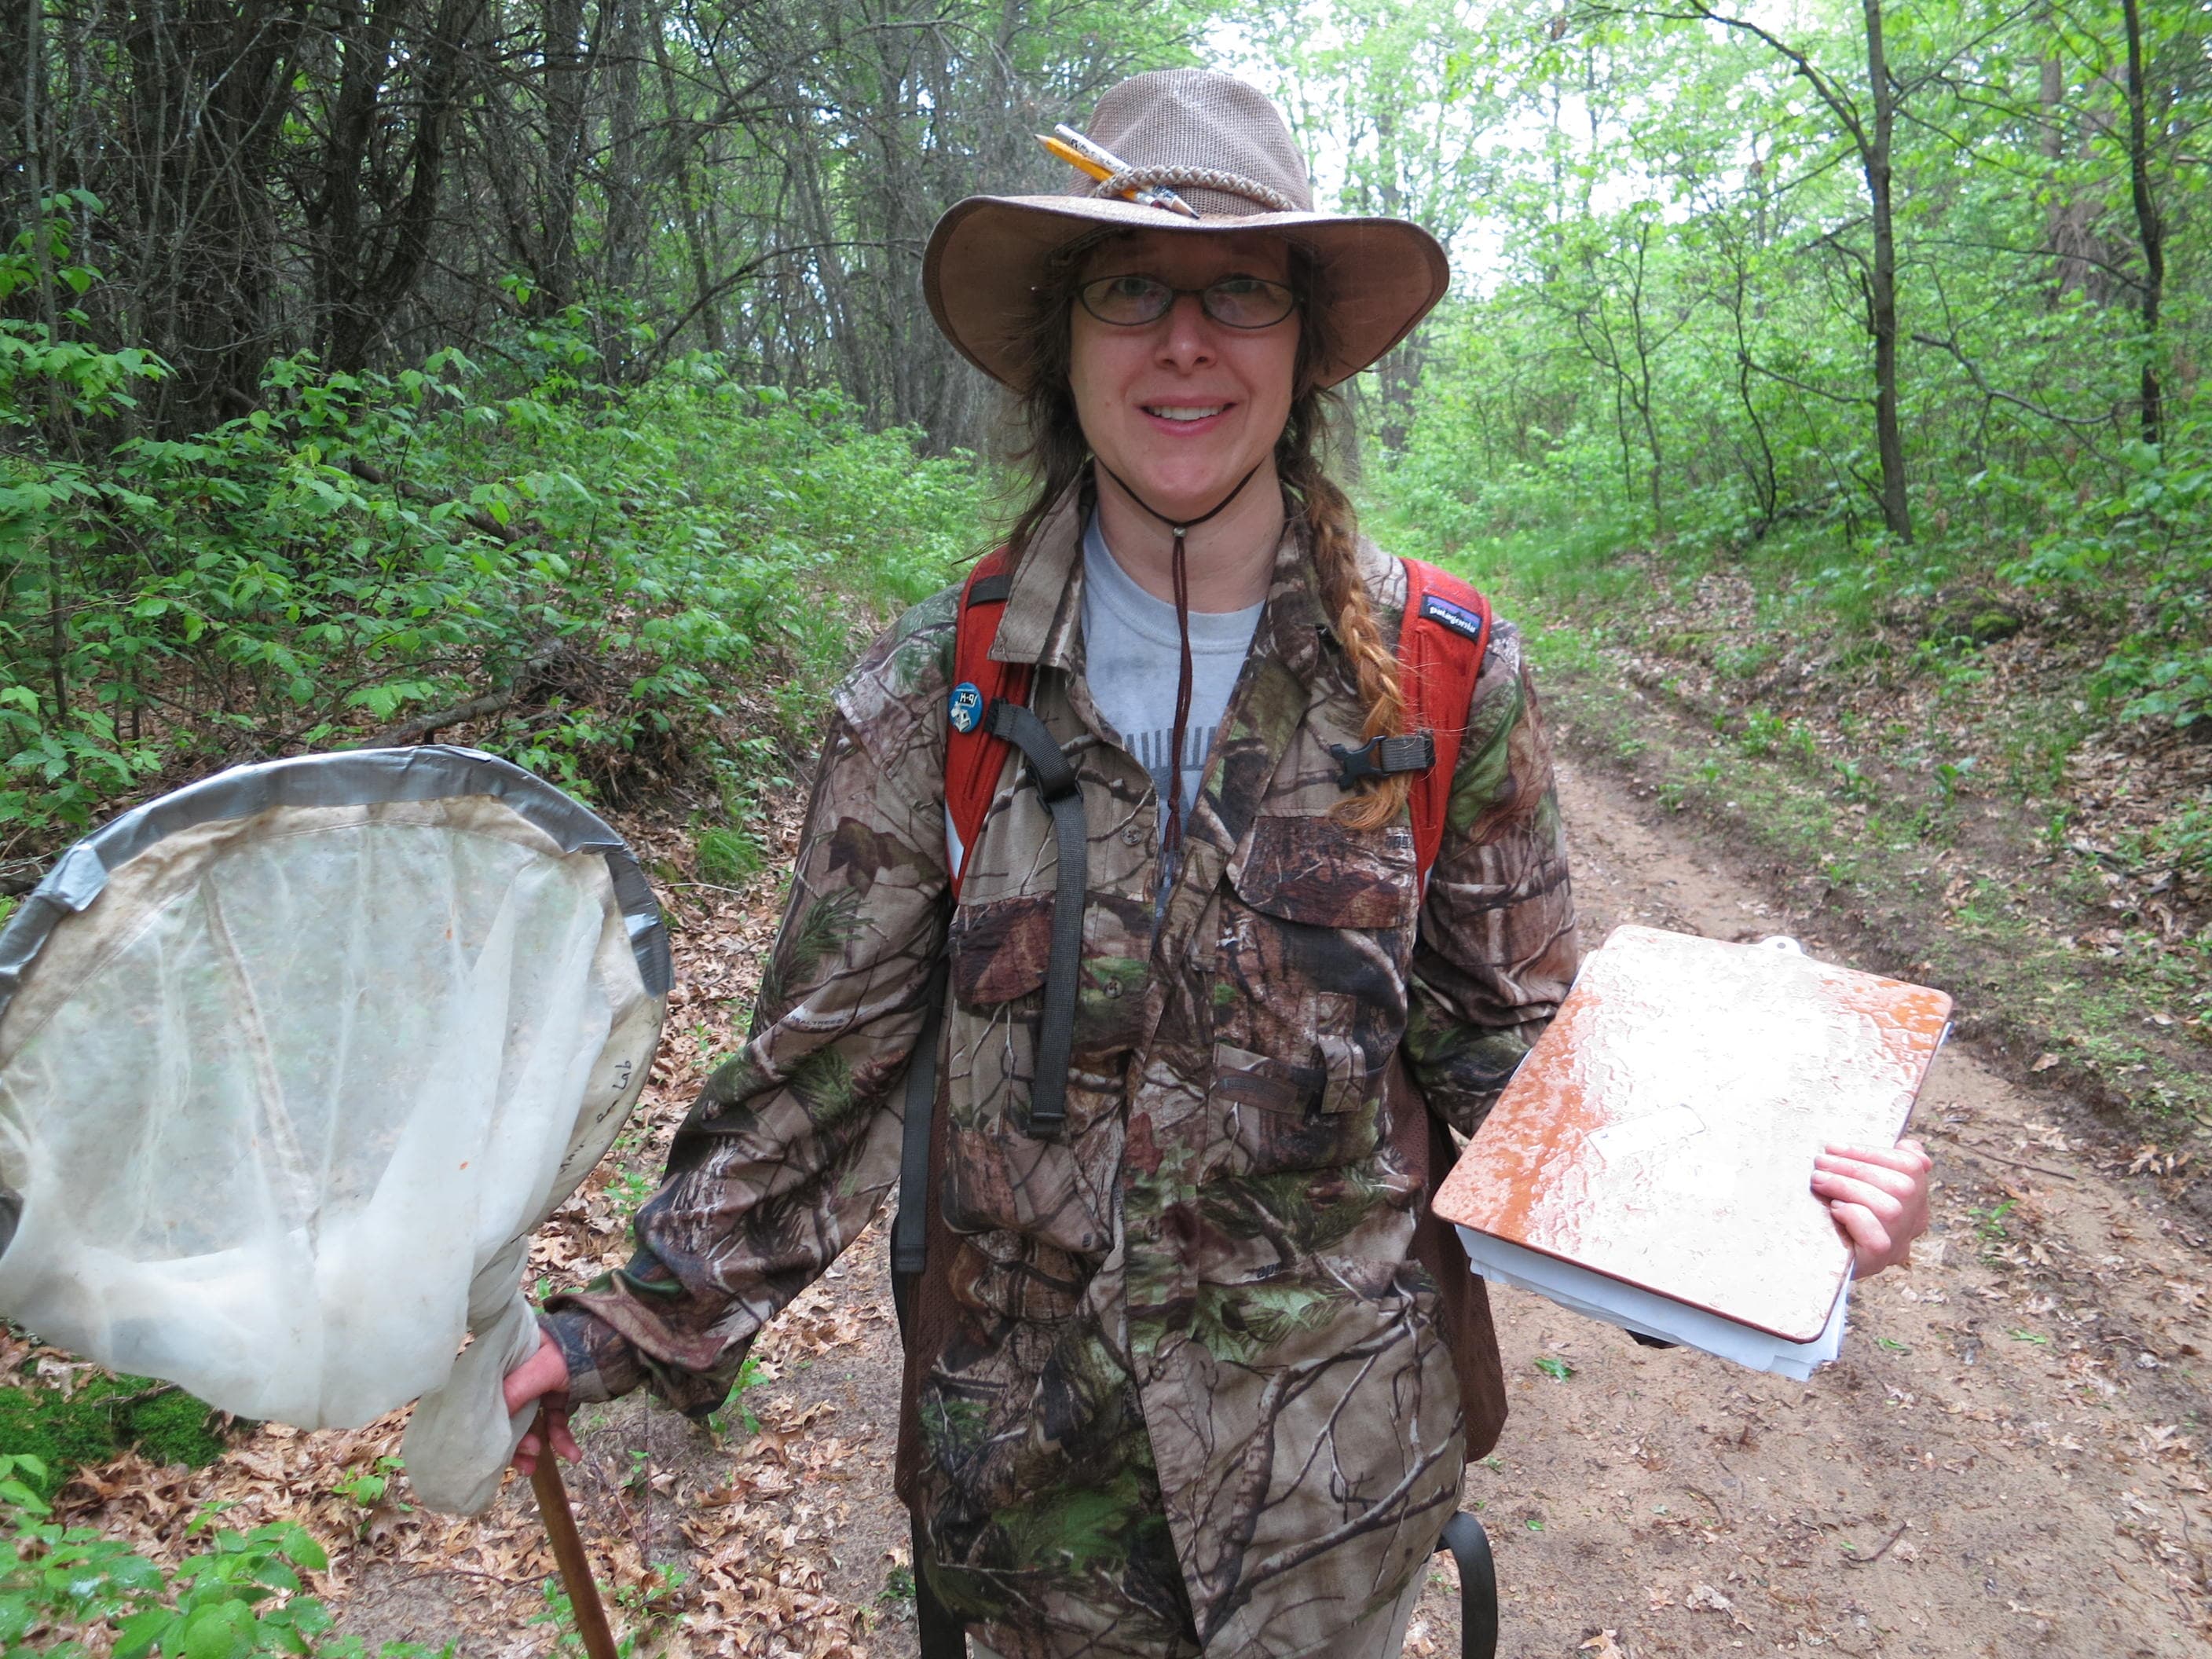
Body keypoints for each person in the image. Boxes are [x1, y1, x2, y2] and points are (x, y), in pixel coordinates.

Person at [502, 69, 1935, 1659]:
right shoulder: (945, 689)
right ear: (1063, 344)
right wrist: (621, 1326)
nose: (1184, 343)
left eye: (1238, 292)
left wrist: (1775, 1178)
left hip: (1335, 1502)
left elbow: (1516, 1058)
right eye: (1130, 291)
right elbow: (821, 1067)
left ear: (1304, 347)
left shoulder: (1446, 674)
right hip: (1036, 1516)